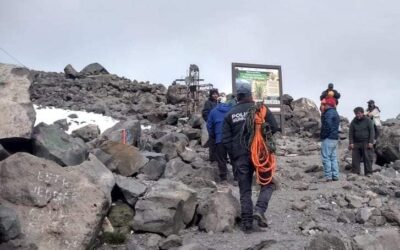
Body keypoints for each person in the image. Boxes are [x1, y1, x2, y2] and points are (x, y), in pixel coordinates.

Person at [222, 83, 279, 233]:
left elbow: (225, 140)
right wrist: (263, 138)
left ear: (238, 97)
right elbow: (274, 127)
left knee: (245, 189)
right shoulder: (261, 110)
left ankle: (247, 224)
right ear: (251, 95)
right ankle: (259, 210)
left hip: (240, 156)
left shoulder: (230, 115)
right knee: (268, 183)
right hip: (260, 154)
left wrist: (234, 156)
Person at [207, 101, 235, 185]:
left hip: (219, 139)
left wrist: (214, 135)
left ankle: (224, 179)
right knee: (234, 158)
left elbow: (209, 126)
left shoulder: (213, 111)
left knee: (221, 159)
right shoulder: (232, 110)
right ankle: (237, 178)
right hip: (231, 138)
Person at [349, 107, 375, 176]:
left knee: (367, 158)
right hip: (356, 142)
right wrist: (351, 143)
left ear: (362, 113)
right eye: (356, 114)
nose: (357, 115)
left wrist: (371, 142)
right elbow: (351, 133)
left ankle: (368, 172)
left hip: (366, 142)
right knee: (355, 158)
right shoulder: (353, 121)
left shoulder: (368, 120)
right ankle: (355, 172)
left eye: (359, 113)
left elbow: (372, 131)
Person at [320, 97, 340, 181]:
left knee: (326, 157)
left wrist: (323, 136)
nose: (323, 106)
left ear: (328, 104)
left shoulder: (328, 113)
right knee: (333, 158)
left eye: (325, 104)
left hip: (328, 138)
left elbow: (327, 125)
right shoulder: (335, 112)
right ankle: (335, 175)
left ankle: (328, 176)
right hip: (335, 138)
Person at [202, 88, 219, 162]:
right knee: (212, 141)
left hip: (218, 125)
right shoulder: (208, 102)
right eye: (213, 94)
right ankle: (212, 158)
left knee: (218, 141)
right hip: (212, 125)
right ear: (211, 95)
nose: (215, 95)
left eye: (216, 94)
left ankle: (218, 157)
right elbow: (205, 113)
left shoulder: (217, 102)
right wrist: (210, 122)